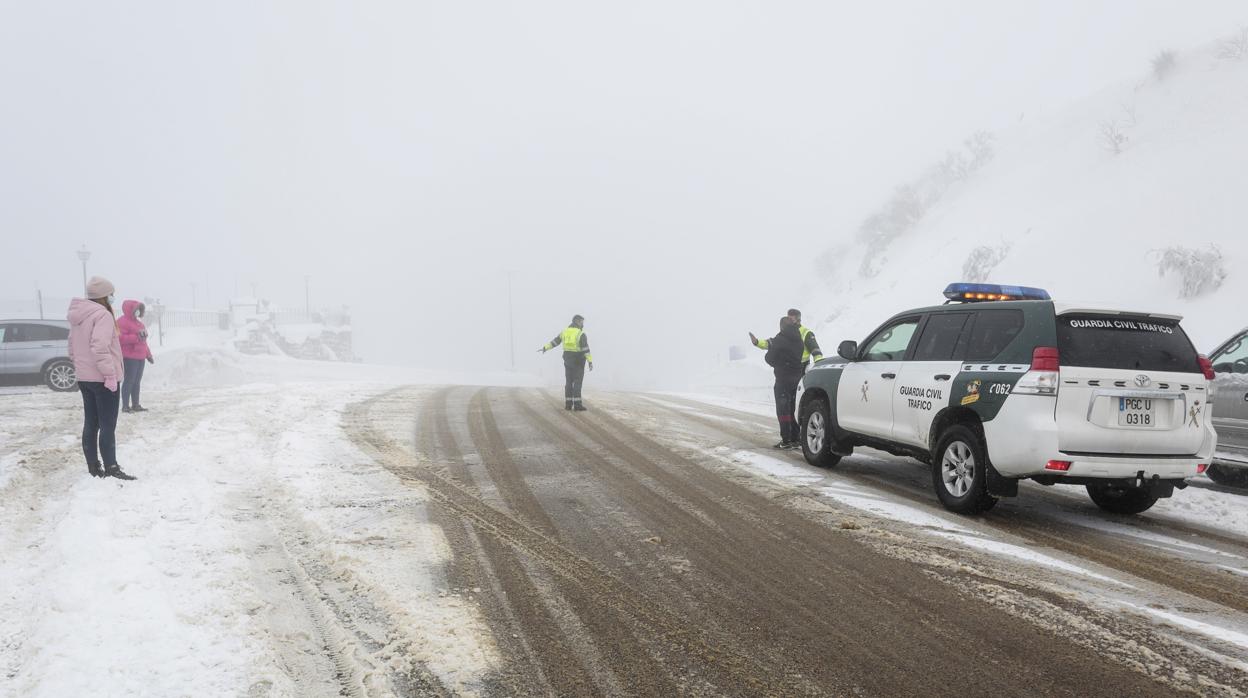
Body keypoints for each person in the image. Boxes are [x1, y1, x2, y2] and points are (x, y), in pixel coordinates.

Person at [67, 277, 137, 480]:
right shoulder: (102, 315)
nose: (113, 297)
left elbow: (72, 346)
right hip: (103, 378)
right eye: (111, 294)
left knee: (91, 423)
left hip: (85, 378)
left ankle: (93, 467)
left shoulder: (78, 315)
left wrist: (81, 368)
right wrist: (109, 375)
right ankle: (111, 467)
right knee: (107, 425)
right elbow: (99, 347)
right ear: (104, 296)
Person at [761, 316, 806, 449]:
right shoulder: (799, 339)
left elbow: (769, 358)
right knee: (794, 409)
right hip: (797, 378)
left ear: (782, 326)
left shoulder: (779, 339)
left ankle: (786, 440)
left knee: (783, 410)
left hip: (782, 379)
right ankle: (796, 438)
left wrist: (778, 363)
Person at [540, 314, 594, 411]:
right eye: (582, 322)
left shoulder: (564, 331)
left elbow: (555, 342)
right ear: (577, 322)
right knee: (577, 383)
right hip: (578, 361)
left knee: (569, 382)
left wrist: (545, 348)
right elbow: (586, 349)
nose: (583, 324)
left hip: (567, 360)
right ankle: (577, 405)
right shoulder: (580, 334)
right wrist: (590, 361)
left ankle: (568, 404)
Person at [750, 308, 823, 369]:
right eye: (788, 318)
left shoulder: (806, 332)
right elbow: (773, 344)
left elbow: (815, 349)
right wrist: (757, 342)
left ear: (798, 319)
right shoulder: (784, 332)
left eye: (791, 319)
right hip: (787, 367)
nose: (788, 320)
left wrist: (818, 364)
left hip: (802, 367)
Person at [117, 300, 155, 413]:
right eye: (136, 309)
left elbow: (143, 342)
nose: (138, 311)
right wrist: (136, 337)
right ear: (130, 310)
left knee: (137, 382)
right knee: (129, 381)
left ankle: (136, 404)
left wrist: (148, 355)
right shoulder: (121, 322)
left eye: (140, 309)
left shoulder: (139, 324)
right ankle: (125, 406)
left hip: (140, 357)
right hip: (129, 357)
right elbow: (119, 339)